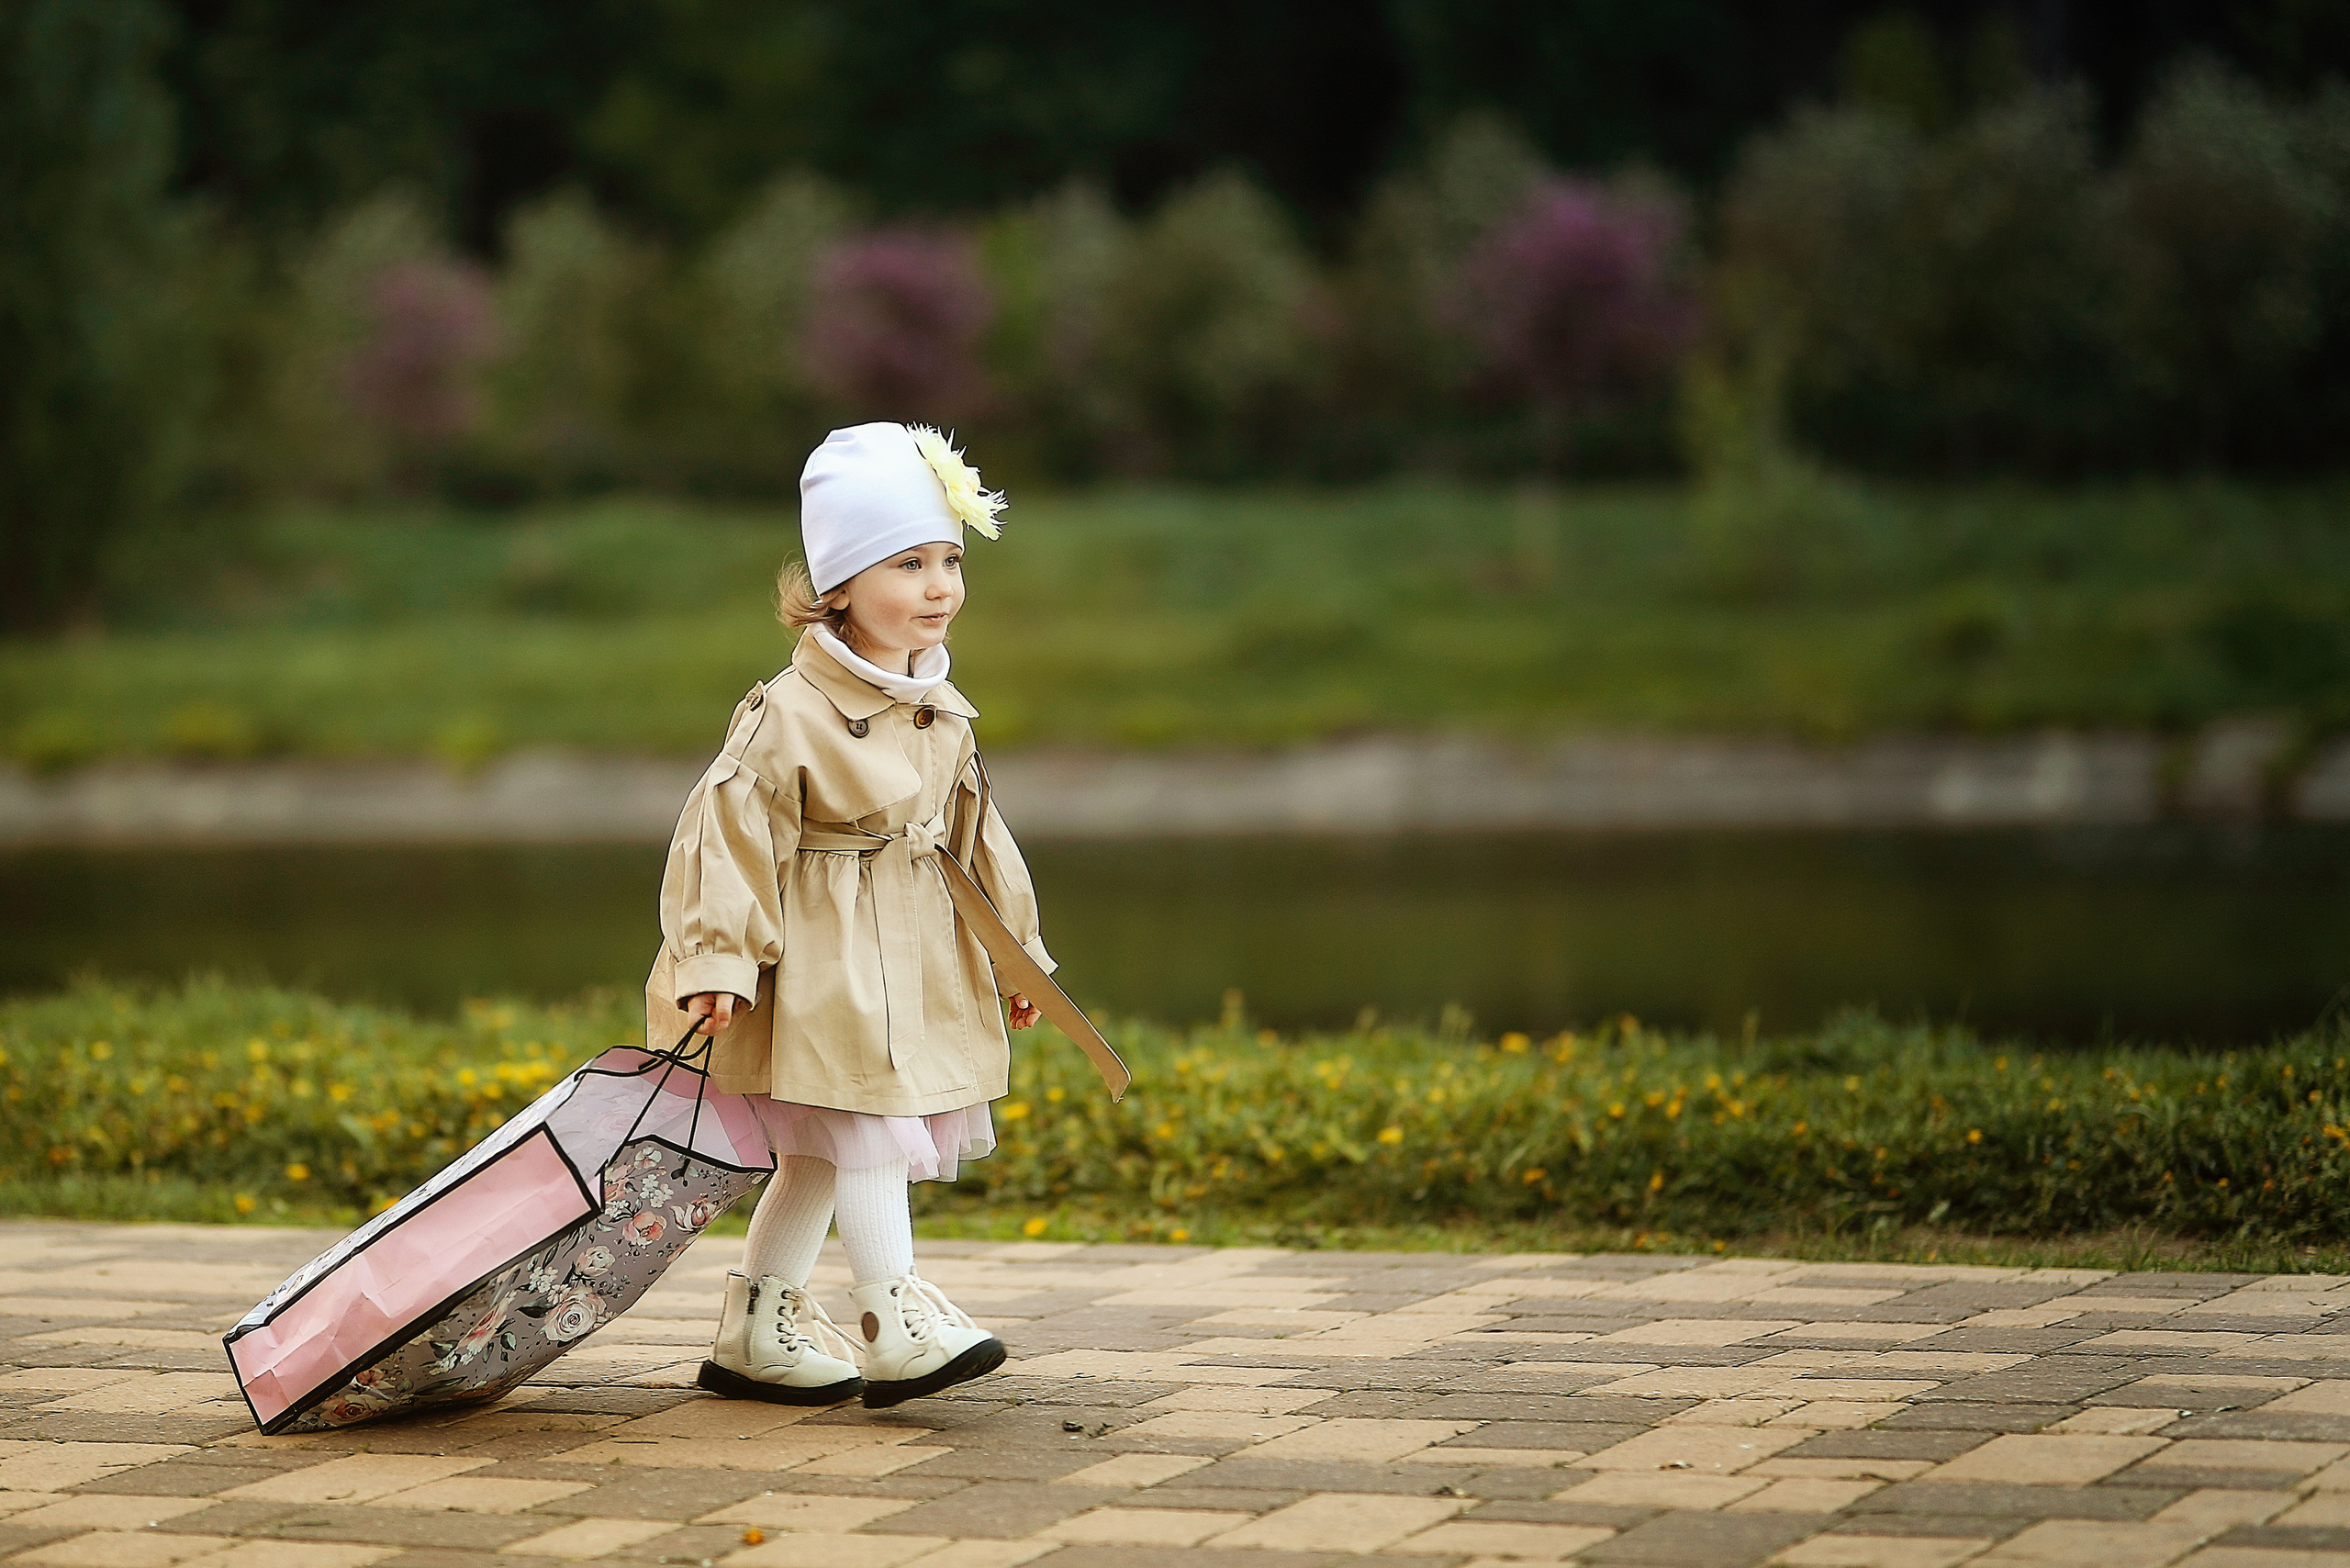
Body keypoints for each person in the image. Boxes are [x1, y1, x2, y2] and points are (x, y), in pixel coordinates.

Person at [644, 421, 1050, 1410]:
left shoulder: (939, 704)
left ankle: (756, 1325)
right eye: (907, 562)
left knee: (825, 1152)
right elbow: (727, 837)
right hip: (825, 961)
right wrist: (717, 963)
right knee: (867, 1125)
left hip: (911, 951)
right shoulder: (789, 709)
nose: (939, 583)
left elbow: (977, 839)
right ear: (839, 585)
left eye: (949, 559)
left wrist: (1019, 958)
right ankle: (891, 1312)